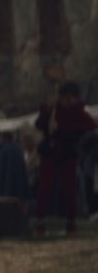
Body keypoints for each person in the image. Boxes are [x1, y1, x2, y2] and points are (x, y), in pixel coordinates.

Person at [33, 81, 95, 236]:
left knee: (70, 189)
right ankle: (40, 224)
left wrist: (61, 130)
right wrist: (46, 114)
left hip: (68, 153)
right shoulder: (53, 109)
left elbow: (87, 128)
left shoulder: (80, 113)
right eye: (63, 97)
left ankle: (71, 225)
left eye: (69, 98)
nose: (66, 101)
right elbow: (39, 125)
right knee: (45, 188)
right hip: (50, 152)